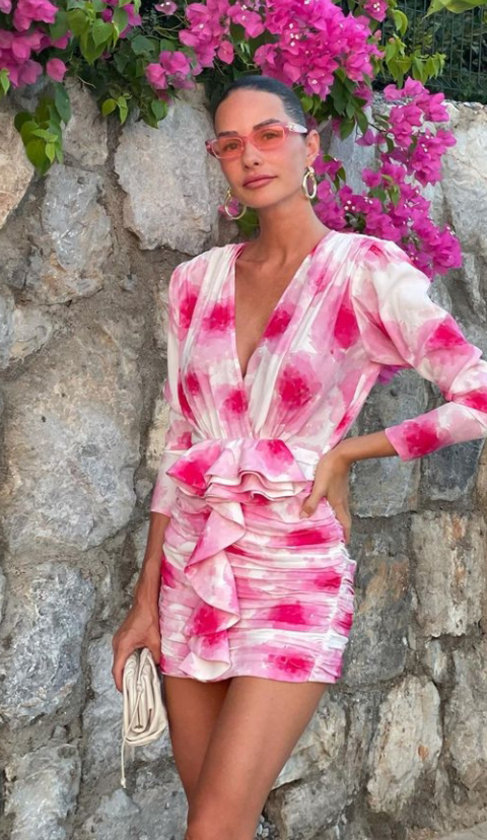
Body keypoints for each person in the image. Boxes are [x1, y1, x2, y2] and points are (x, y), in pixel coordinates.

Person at [112, 74, 487, 840]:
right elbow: (181, 446)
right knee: (216, 819)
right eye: (229, 144)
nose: (249, 156)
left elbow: (475, 394)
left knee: (213, 826)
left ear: (309, 146)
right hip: (192, 573)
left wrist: (350, 451)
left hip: (292, 574)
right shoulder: (192, 284)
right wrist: (145, 601)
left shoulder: (362, 269)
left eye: (268, 135)